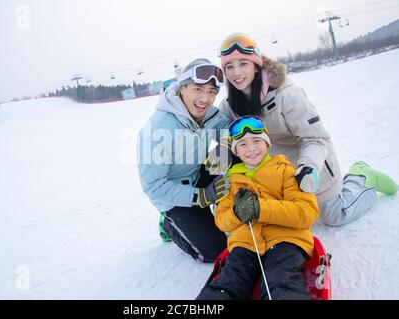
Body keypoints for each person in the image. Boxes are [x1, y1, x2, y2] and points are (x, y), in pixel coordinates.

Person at [206, 32, 397, 227]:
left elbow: (317, 138)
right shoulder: (229, 106)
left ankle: (362, 176)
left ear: (256, 65)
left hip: (308, 166)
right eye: (229, 66)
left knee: (335, 216)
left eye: (243, 64)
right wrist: (216, 175)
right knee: (280, 224)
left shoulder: (286, 94)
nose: (236, 73)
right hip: (275, 177)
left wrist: (308, 167)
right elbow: (219, 145)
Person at [196, 116, 319, 300]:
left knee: (280, 280)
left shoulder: (285, 171)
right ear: (235, 151)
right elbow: (222, 221)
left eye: (256, 141)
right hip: (245, 243)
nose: (251, 148)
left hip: (285, 240)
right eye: (243, 144)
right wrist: (237, 213)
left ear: (268, 143)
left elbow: (306, 211)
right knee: (228, 282)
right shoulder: (231, 181)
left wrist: (261, 208)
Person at [136, 58, 232, 262]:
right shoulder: (158, 130)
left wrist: (223, 148)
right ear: (183, 87)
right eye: (198, 89)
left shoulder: (207, 114)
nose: (205, 99)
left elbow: (226, 129)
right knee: (215, 252)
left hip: (197, 175)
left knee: (235, 161)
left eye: (212, 92)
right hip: (174, 195)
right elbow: (154, 187)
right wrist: (202, 196)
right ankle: (169, 225)